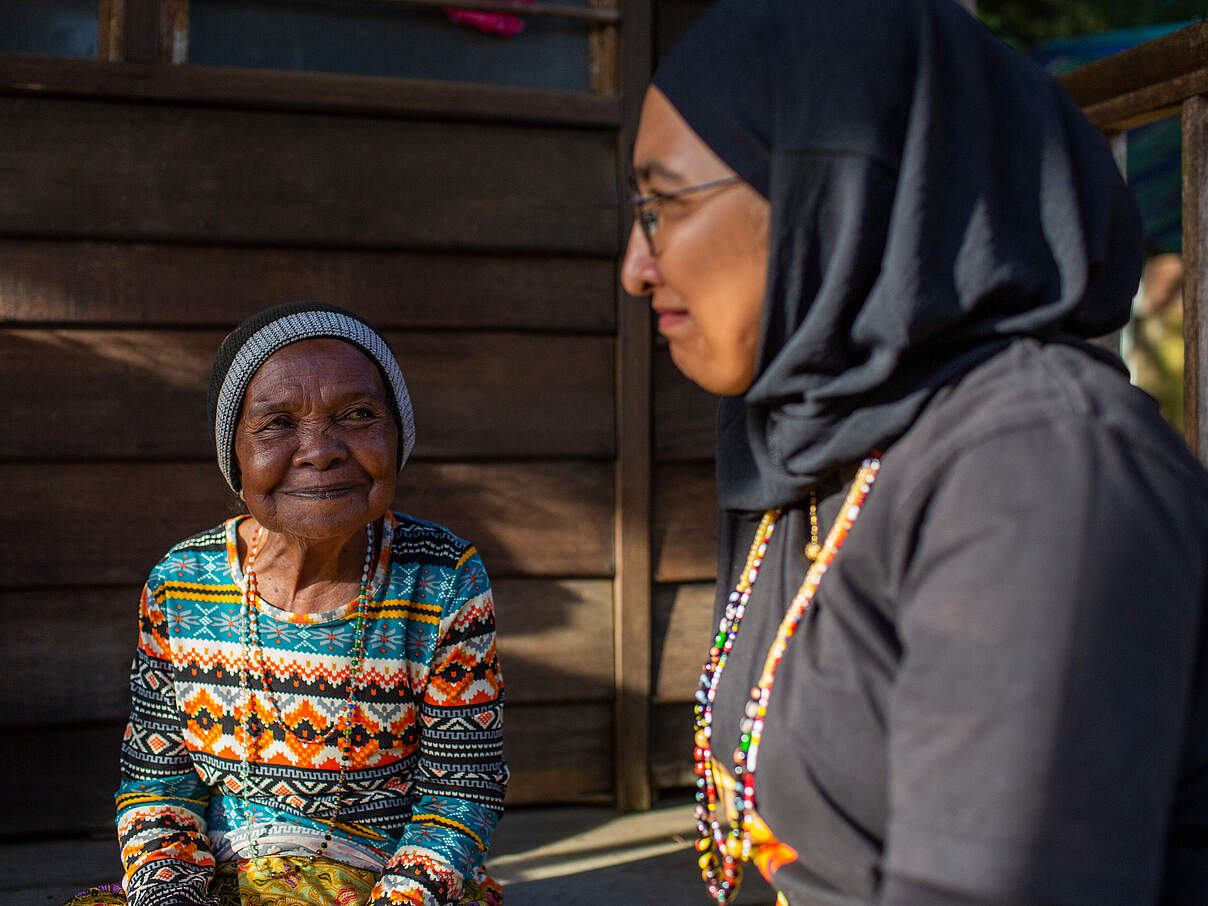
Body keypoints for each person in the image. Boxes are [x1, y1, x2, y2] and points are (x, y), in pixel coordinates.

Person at [621, 2, 1208, 905]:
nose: (636, 264)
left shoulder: (1039, 473)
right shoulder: (811, 437)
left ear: (835, 189)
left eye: (663, 205)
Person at [68, 303, 508, 906]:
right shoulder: (182, 580)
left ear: (397, 436)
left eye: (358, 415)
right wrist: (170, 894)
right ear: (235, 455)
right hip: (216, 881)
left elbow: (462, 786)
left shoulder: (442, 577)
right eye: (276, 423)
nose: (320, 451)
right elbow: (157, 782)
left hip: (386, 881)